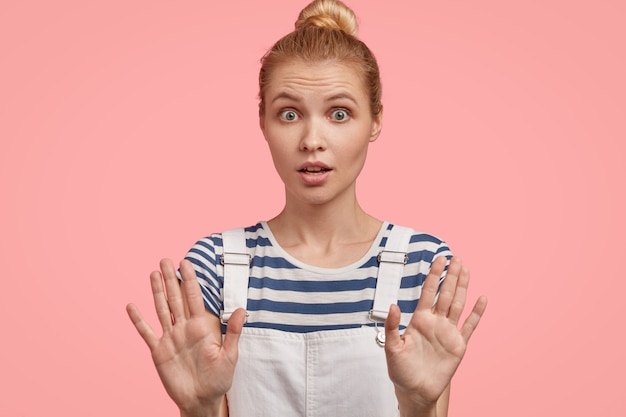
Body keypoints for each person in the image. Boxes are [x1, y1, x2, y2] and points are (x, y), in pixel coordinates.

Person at [126, 1, 488, 416]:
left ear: (375, 120)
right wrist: (200, 408)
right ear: (263, 121)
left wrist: (419, 404)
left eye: (339, 113)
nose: (312, 139)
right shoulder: (215, 266)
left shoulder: (422, 265)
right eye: (290, 113)